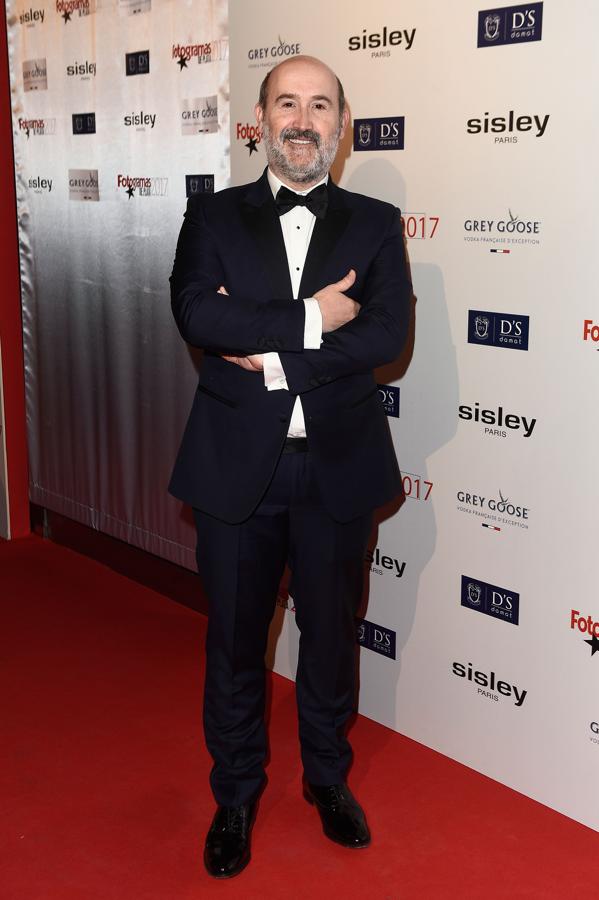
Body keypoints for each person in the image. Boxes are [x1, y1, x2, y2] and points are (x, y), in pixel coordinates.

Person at [169, 55, 411, 879]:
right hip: (237, 469)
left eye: (318, 106)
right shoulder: (214, 216)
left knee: (332, 638)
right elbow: (197, 314)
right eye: (286, 104)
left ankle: (326, 778)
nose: (301, 120)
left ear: (340, 127)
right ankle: (235, 794)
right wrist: (313, 317)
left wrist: (268, 351)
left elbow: (383, 334)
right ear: (260, 119)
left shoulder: (376, 223)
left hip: (338, 467)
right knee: (236, 642)